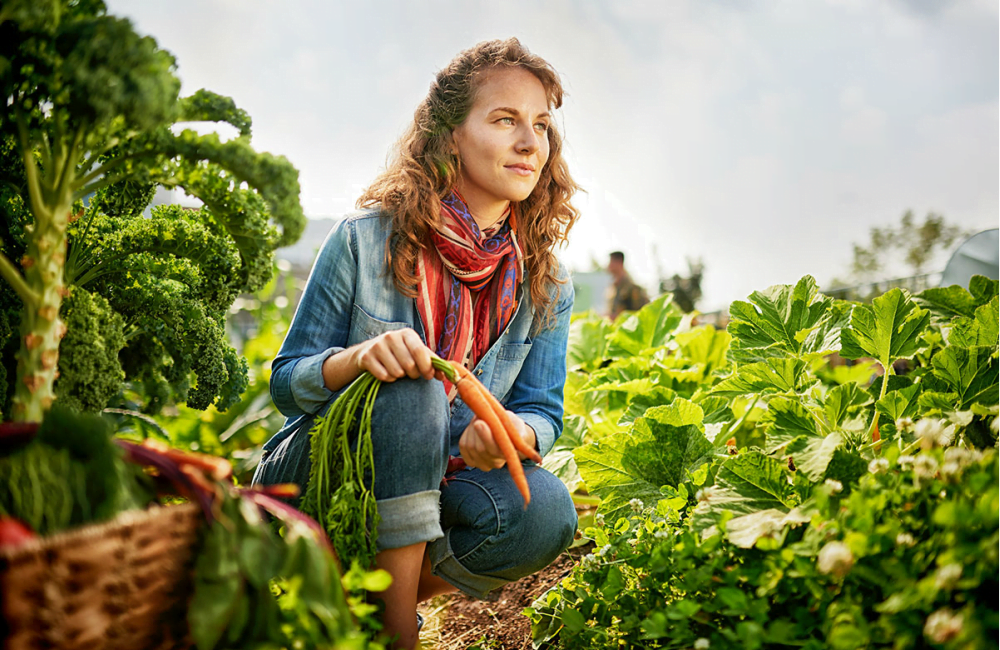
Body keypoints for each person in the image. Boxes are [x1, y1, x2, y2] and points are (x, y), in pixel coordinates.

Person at [253, 38, 580, 650]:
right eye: (505, 120)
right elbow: (285, 382)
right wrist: (355, 361)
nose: (530, 142)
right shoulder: (363, 239)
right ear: (450, 134)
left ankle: (369, 597)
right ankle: (395, 634)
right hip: (324, 477)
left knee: (546, 513)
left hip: (440, 486)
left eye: (540, 125)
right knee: (412, 388)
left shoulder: (547, 281)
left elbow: (543, 409)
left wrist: (515, 432)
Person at [606, 250, 649, 319]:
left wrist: (618, 317)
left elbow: (642, 313)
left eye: (611, 263)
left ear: (619, 263)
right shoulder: (613, 290)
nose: (608, 267)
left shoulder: (633, 289)